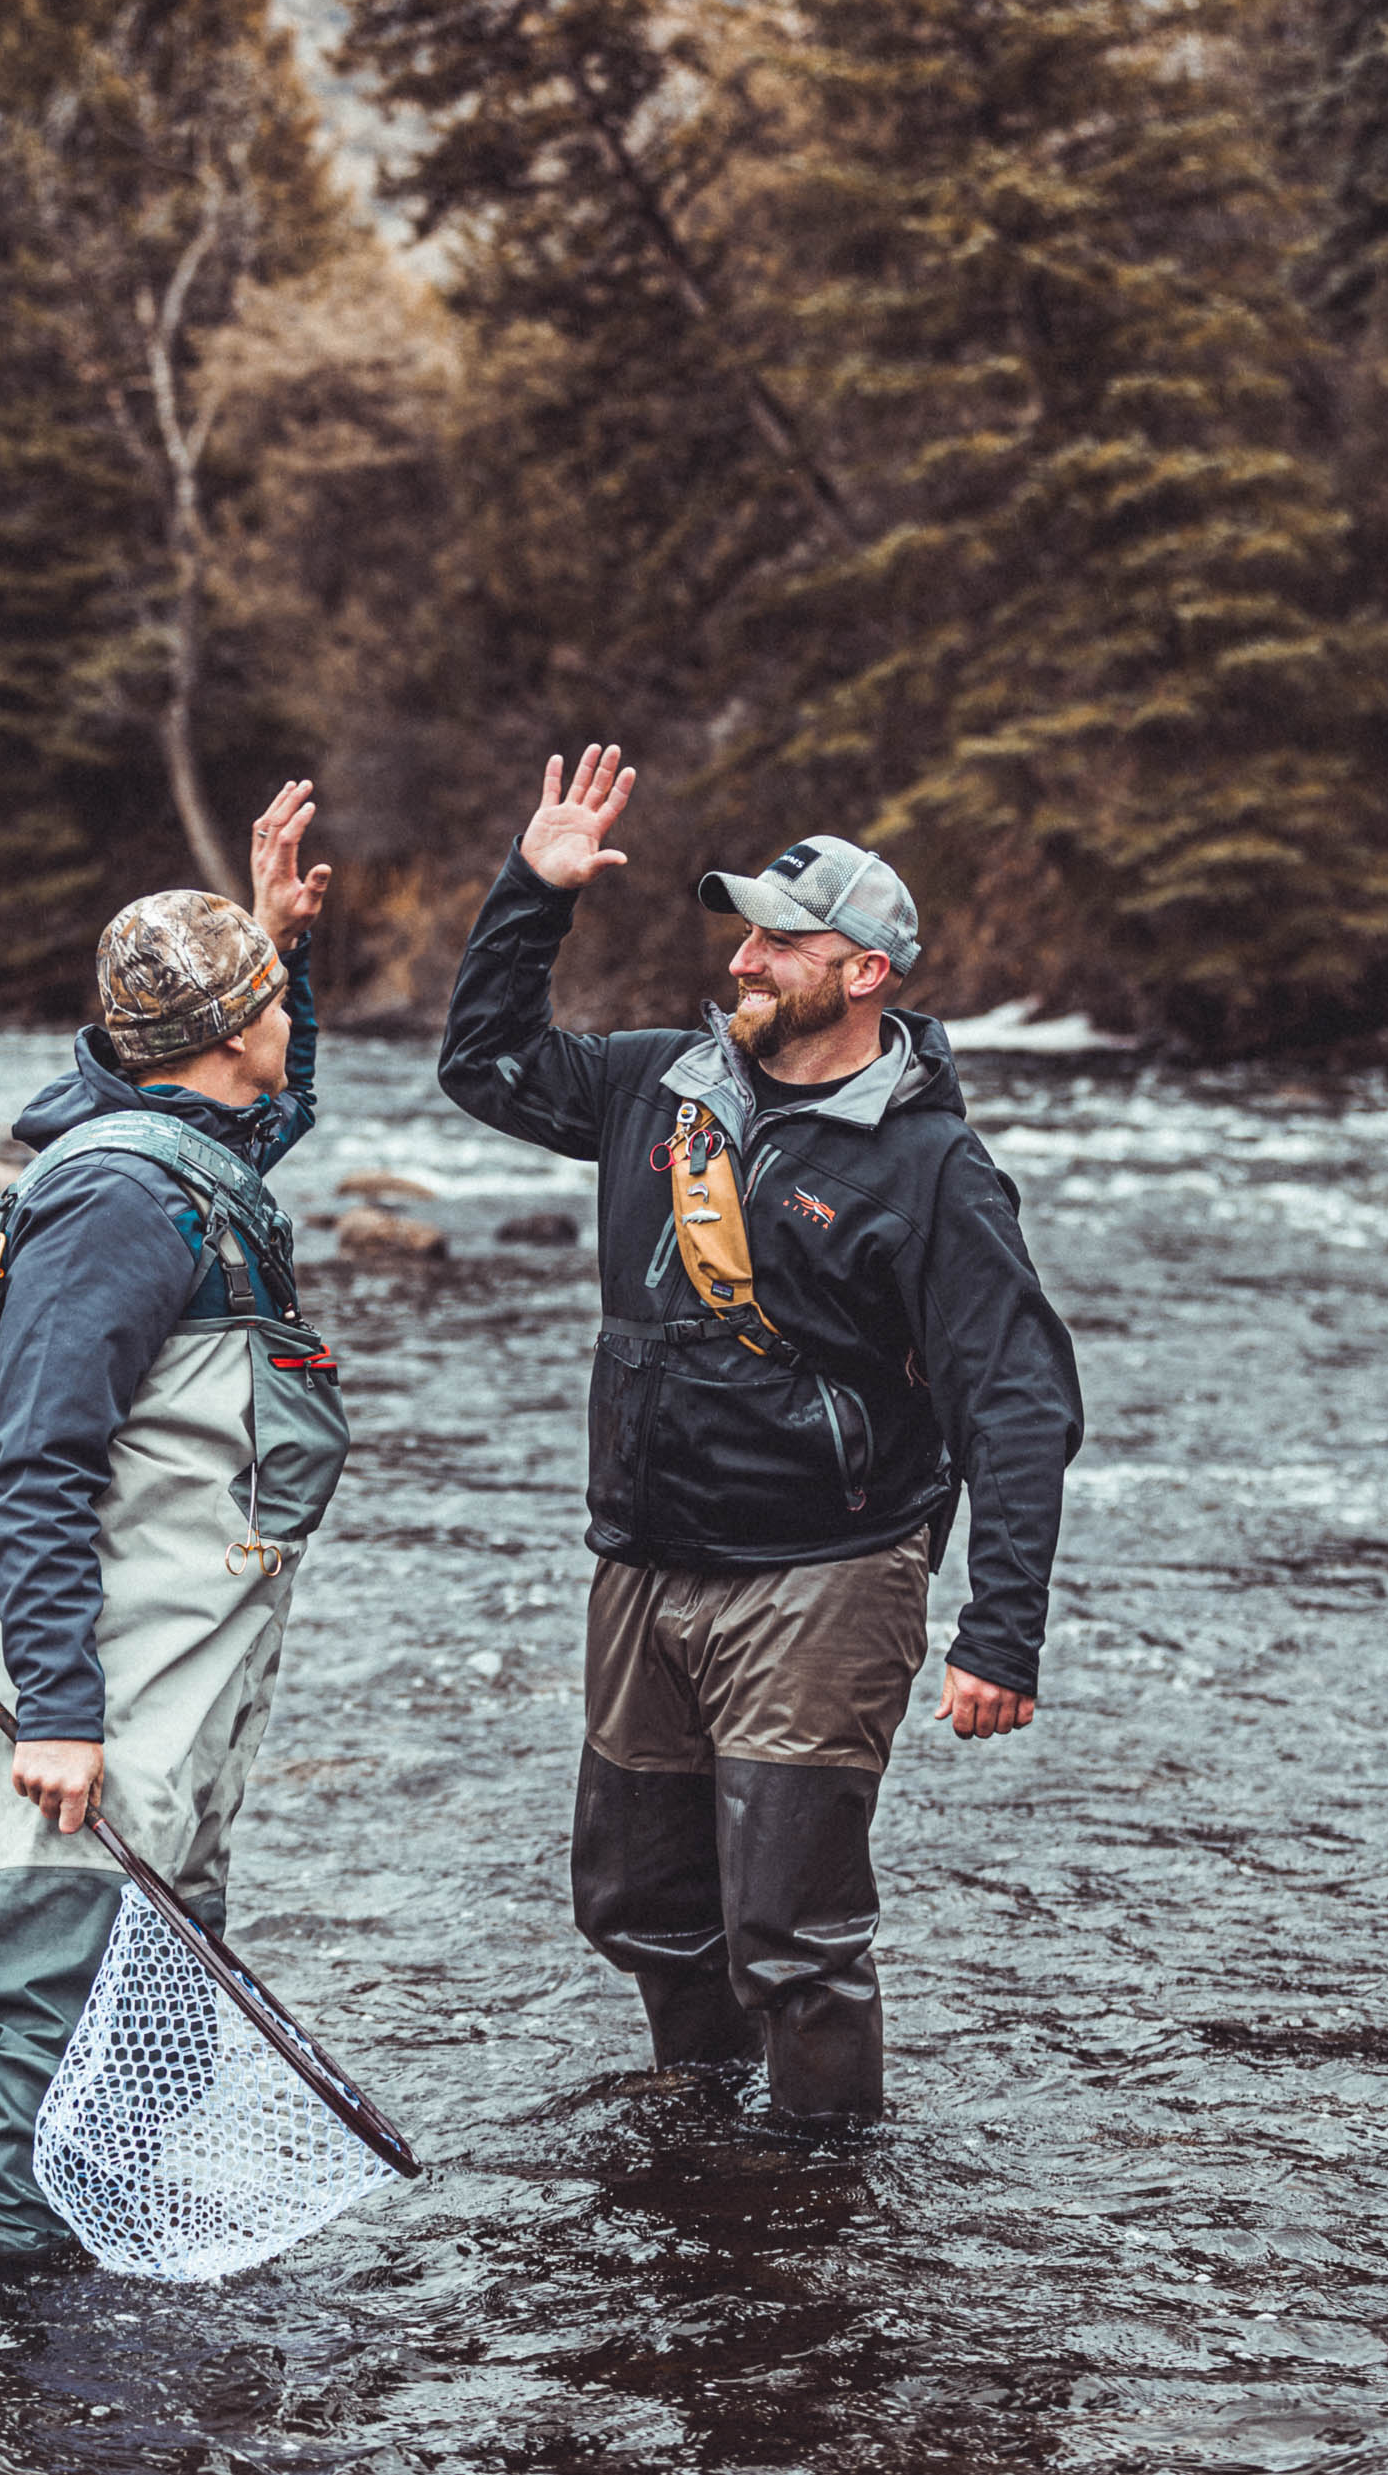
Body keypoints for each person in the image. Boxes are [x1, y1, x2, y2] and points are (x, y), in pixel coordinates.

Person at [439, 746, 1082, 2123]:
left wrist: (1002, 1627)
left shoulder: (933, 1168)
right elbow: (485, 1064)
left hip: (824, 1575)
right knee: (640, 1904)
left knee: (791, 1935)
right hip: (645, 1562)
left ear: (866, 973)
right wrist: (532, 894)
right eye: (743, 933)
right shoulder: (653, 1089)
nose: (743, 960)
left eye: (782, 941)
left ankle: (819, 2190)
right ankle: (701, 2136)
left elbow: (1016, 1398)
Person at [0, 781, 335, 2257]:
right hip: (87, 1699)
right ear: (227, 1037)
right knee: (47, 2039)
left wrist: (282, 943)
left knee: (145, 2029)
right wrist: (56, 1711)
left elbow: (268, 1117)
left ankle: (96, 2326)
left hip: (168, 1685)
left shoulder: (186, 1155)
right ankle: (0, 2333)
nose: (284, 1018)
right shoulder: (116, 1200)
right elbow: (38, 1463)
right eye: (271, 1000)